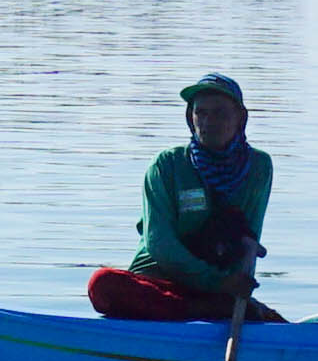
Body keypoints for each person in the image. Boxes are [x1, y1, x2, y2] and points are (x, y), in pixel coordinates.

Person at [89, 71, 284, 325]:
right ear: (190, 119)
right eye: (200, 113)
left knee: (273, 323)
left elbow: (249, 239)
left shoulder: (259, 167)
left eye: (219, 113)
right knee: (102, 284)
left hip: (218, 289)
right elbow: (159, 244)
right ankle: (202, 309)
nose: (208, 121)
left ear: (240, 118)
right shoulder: (166, 165)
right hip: (159, 287)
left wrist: (236, 287)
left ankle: (221, 311)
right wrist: (215, 282)